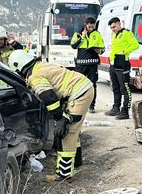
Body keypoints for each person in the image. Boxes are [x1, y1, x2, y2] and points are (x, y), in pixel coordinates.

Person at [7, 50, 94, 182]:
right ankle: (76, 162)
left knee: (67, 132)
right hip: (83, 88)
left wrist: (59, 119)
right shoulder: (40, 66)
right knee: (73, 129)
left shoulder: (34, 76)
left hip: (79, 93)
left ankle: (64, 174)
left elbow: (49, 97)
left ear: (18, 68)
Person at [105, 17, 139, 120]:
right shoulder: (115, 35)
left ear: (120, 24)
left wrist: (125, 51)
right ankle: (116, 108)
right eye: (111, 28)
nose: (113, 29)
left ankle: (125, 111)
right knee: (115, 87)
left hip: (123, 63)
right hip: (114, 64)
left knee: (125, 88)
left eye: (114, 26)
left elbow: (135, 45)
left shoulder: (126, 33)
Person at [70, 17, 104, 113]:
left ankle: (92, 106)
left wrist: (98, 50)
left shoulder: (97, 34)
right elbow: (73, 46)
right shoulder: (77, 34)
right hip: (81, 64)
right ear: (86, 24)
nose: (91, 28)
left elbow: (102, 49)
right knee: (78, 85)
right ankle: (77, 104)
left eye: (93, 27)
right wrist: (82, 37)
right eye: (89, 27)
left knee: (93, 85)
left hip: (93, 64)